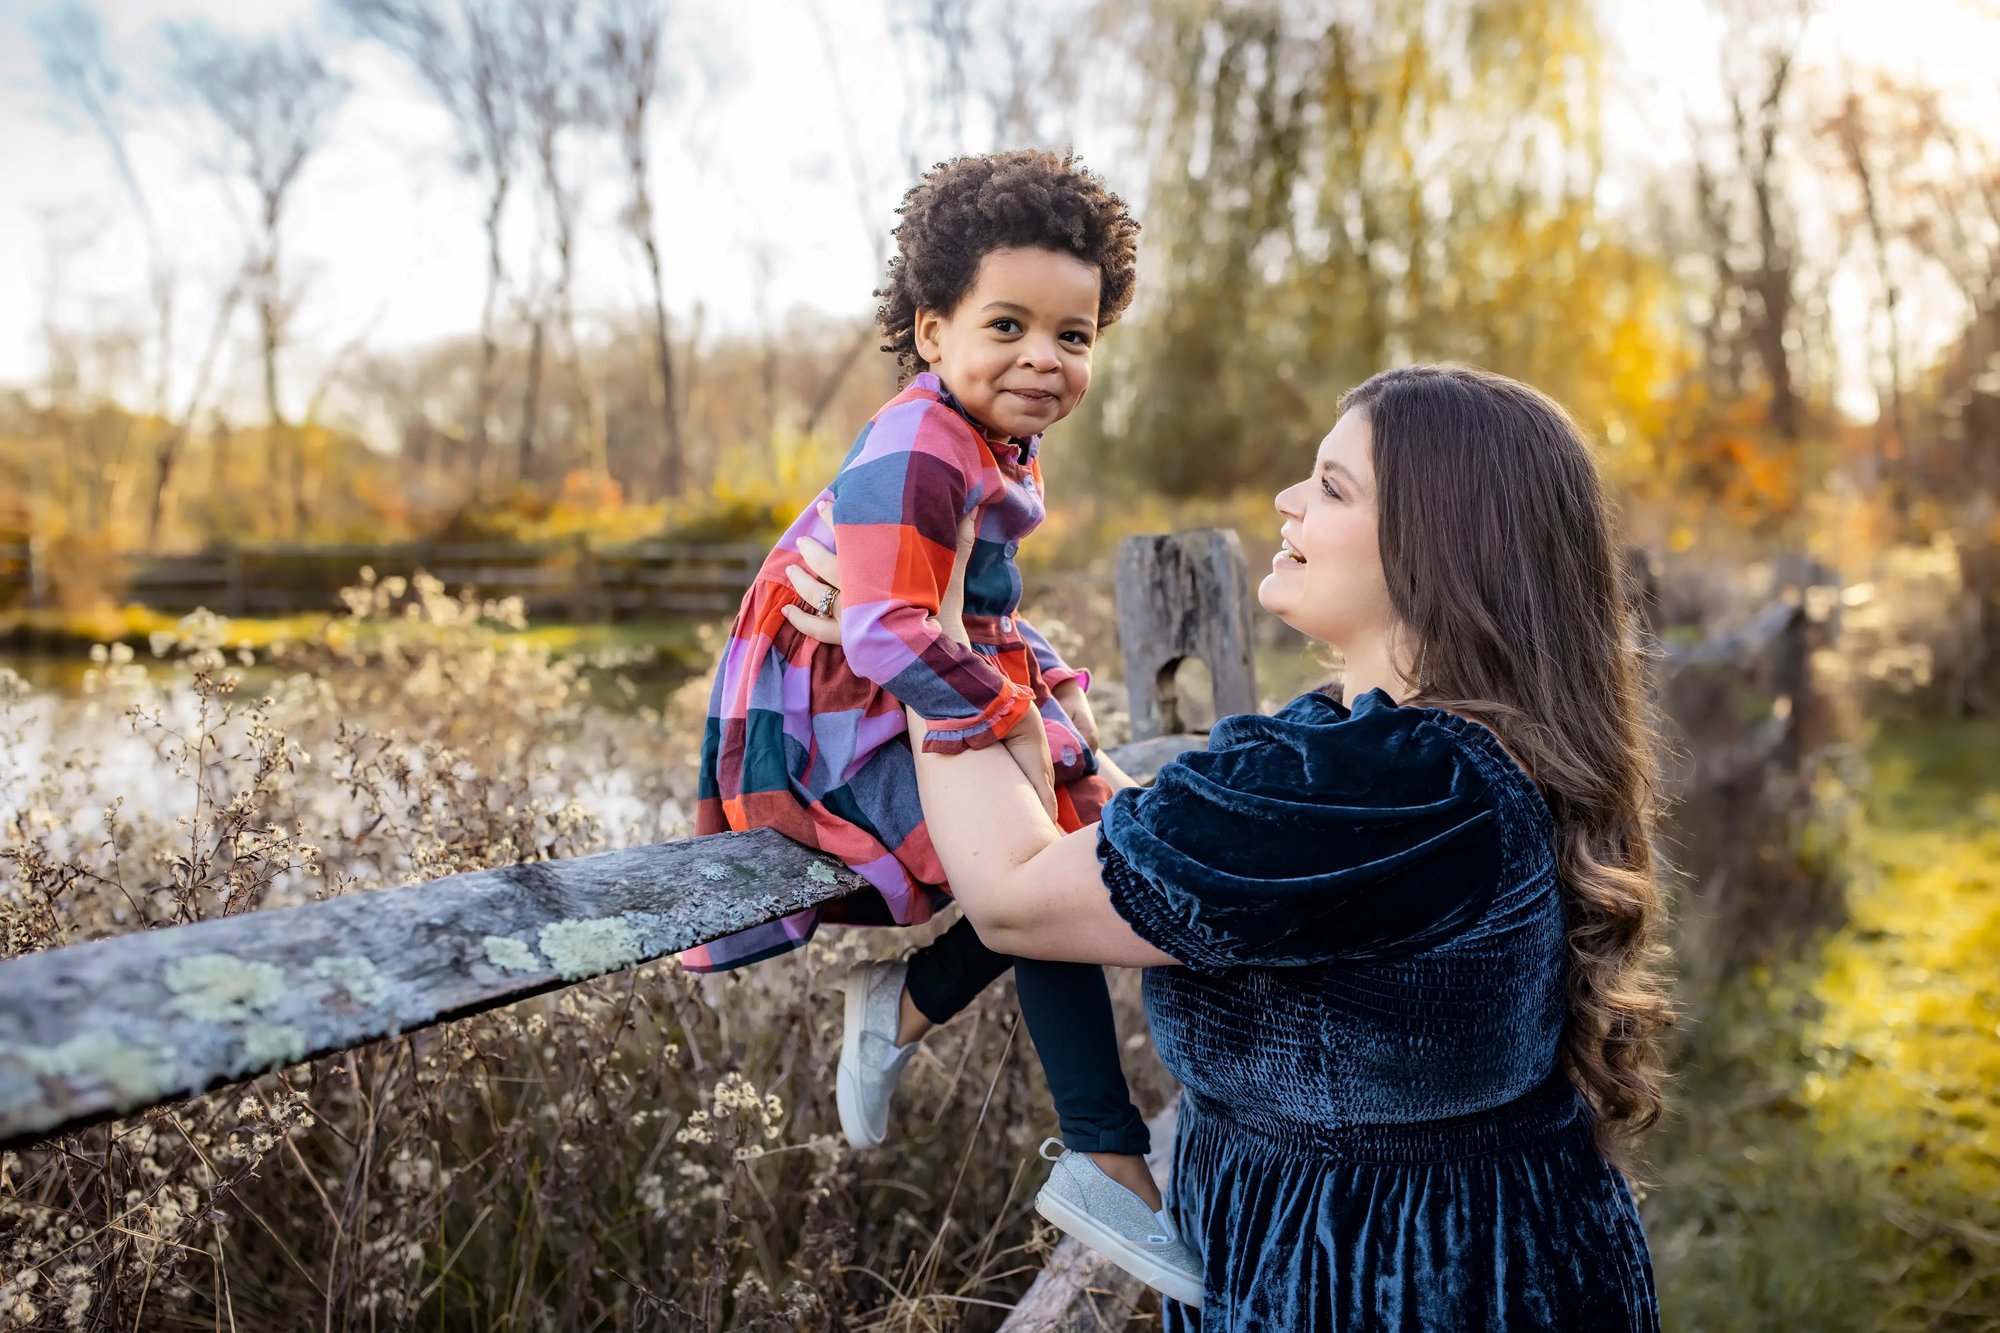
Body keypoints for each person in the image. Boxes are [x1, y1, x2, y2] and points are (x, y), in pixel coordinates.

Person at [785, 363, 1671, 1329]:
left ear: (1439, 547)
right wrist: (1016, 688)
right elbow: (1184, 858)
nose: (1288, 499)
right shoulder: (1408, 754)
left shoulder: (1396, 783)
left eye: (1332, 487)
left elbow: (1016, 896)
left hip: (1393, 1280)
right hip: (1429, 1243)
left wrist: (915, 640)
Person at [682, 150, 1203, 1302]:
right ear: (930, 330)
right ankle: (1103, 1152)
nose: (1042, 357)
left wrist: (1046, 694)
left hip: (893, 697)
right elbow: (879, 629)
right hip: (824, 734)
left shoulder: (985, 441)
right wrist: (1016, 719)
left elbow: (973, 611)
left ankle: (915, 1010)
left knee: (1085, 841)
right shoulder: (922, 441)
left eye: (1072, 335)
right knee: (1058, 855)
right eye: (1007, 323)